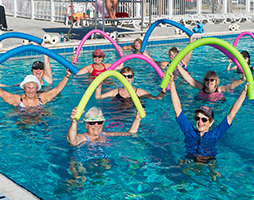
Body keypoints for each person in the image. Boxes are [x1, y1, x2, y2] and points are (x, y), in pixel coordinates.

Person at [169, 72, 248, 163]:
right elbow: (177, 109)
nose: (200, 122)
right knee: (180, 162)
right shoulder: (189, 131)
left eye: (204, 119)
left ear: (211, 122)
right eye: (197, 118)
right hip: (190, 161)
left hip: (209, 162)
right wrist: (171, 83)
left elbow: (232, 114)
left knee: (214, 173)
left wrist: (244, 92)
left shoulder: (216, 134)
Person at [67, 106, 142, 146]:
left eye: (99, 122)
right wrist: (74, 121)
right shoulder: (83, 138)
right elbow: (73, 141)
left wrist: (137, 119)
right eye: (92, 123)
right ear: (86, 125)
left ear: (103, 123)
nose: (96, 125)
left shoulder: (104, 134)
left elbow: (130, 133)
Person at [0, 70, 71, 107]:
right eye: (28, 87)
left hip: (39, 123)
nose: (31, 91)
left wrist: (67, 75)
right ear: (24, 88)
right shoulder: (18, 100)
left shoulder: (42, 98)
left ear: (37, 89)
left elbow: (57, 89)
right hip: (23, 125)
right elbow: (2, 93)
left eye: (33, 88)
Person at [177, 64, 246, 102]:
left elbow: (231, 86)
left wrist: (242, 80)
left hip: (217, 105)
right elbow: (188, 78)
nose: (209, 82)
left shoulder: (219, 89)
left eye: (212, 80)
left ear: (216, 82)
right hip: (202, 103)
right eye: (207, 79)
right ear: (204, 80)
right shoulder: (202, 87)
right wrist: (178, 65)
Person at [95, 67, 166, 100]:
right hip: (118, 116)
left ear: (133, 78)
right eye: (124, 76)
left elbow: (158, 98)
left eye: (129, 76)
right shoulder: (116, 91)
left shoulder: (139, 91)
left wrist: (163, 89)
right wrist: (99, 86)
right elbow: (98, 98)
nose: (126, 79)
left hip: (133, 116)